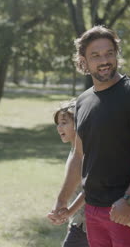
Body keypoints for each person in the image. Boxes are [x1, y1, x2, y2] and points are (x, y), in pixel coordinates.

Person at [50, 25, 130, 247]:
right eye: (96, 55)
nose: (104, 61)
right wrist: (62, 201)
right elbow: (78, 155)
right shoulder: (82, 102)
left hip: (126, 208)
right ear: (83, 61)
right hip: (92, 207)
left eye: (109, 53)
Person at [47, 99, 89, 247]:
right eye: (58, 123)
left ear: (79, 124)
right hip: (78, 222)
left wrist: (69, 211)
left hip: (87, 225)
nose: (59, 128)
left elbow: (89, 189)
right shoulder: (74, 151)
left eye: (64, 122)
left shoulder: (84, 155)